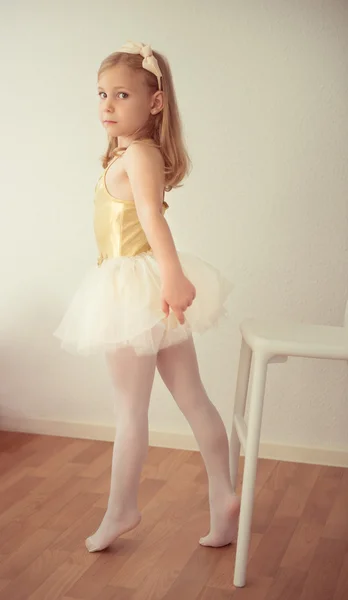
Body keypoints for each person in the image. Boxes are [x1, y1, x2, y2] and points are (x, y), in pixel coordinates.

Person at [54, 41, 240, 553]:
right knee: (192, 398)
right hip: (148, 287)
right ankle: (223, 494)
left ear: (154, 103)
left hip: (132, 290)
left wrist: (174, 277)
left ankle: (122, 510)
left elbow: (153, 220)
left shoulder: (136, 153)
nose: (107, 105)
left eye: (121, 95)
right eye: (101, 94)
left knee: (130, 410)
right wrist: (168, 280)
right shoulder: (134, 153)